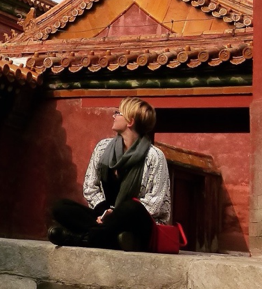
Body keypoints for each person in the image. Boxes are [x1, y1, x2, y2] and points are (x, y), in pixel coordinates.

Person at [47, 97, 171, 251]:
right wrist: (105, 213)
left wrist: (115, 214)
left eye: (118, 113)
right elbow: (90, 187)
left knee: (132, 207)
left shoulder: (154, 156)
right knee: (61, 207)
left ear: (130, 121)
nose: (114, 115)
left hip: (138, 223)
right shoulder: (102, 148)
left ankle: (83, 238)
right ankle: (117, 239)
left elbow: (155, 203)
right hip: (105, 217)